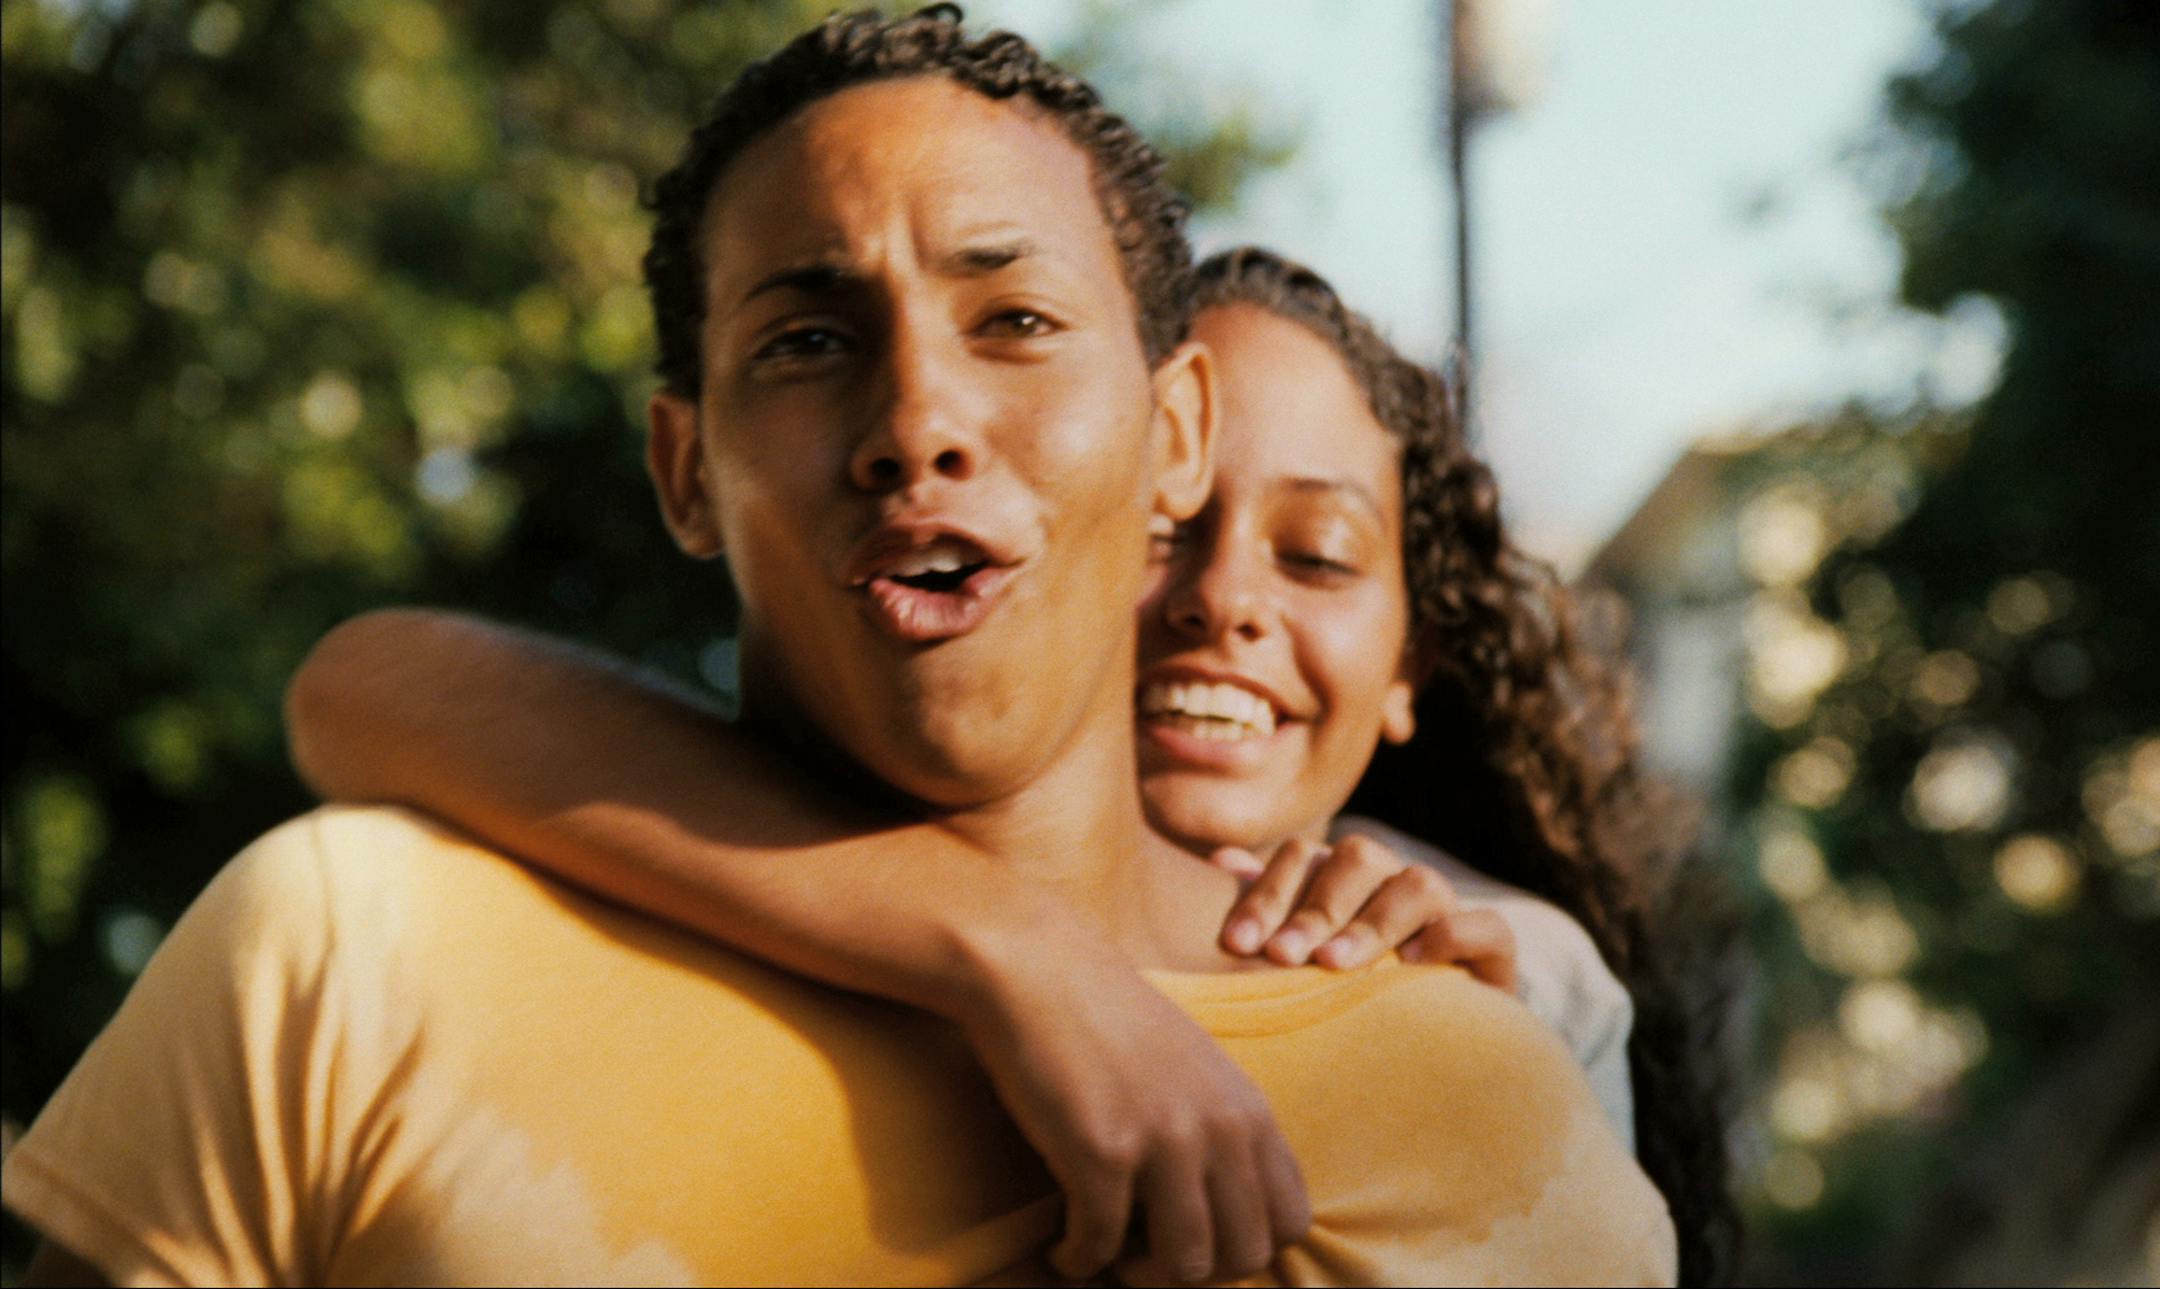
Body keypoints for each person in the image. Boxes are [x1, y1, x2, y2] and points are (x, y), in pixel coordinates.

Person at [3, 8, 1678, 1286]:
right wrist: (1017, 950)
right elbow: (367, 676)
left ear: (1173, 434)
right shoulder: (343, 961)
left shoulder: (1492, 1109)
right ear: (684, 469)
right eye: (807, 339)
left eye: (1013, 320)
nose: (917, 421)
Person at [279, 245, 1730, 1278]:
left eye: (1321, 554)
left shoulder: (1498, 978)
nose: (1228, 597)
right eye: (1169, 527)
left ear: (1412, 665)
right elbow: (369, 681)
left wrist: (1460, 1081)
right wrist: (1014, 947)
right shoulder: (793, 826)